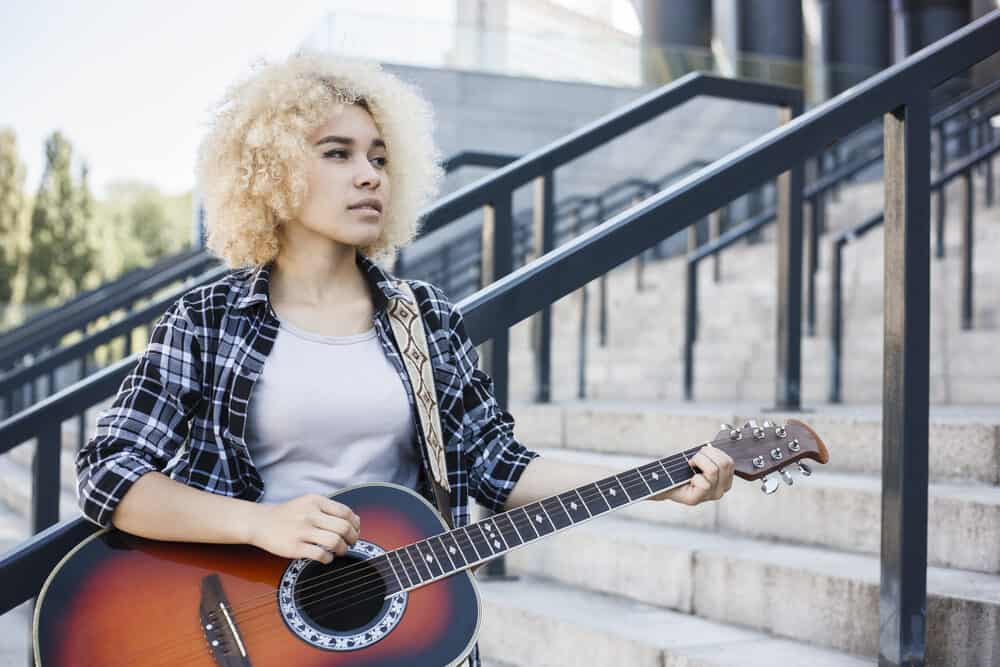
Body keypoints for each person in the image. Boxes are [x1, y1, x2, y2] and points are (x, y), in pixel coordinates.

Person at [75, 51, 735, 666]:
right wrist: (261, 523)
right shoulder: (207, 321)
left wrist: (658, 478)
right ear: (271, 172)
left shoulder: (425, 319)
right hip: (255, 633)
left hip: (398, 631)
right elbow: (109, 474)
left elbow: (499, 465)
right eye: (338, 153)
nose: (369, 174)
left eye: (381, 158)